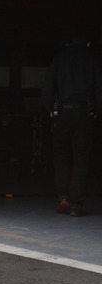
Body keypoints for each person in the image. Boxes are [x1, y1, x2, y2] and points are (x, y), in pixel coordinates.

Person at [41, 36, 102, 217]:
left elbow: (47, 87)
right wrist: (96, 112)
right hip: (85, 114)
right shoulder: (93, 60)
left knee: (61, 155)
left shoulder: (59, 59)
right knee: (80, 159)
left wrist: (50, 109)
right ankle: (76, 203)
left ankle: (63, 196)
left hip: (62, 113)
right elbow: (100, 89)